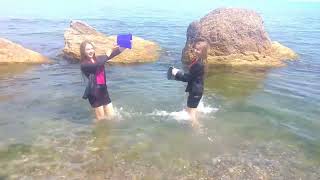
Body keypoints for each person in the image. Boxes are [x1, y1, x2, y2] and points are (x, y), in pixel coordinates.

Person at [80, 40, 126, 121]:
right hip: (94, 93)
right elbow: (98, 64)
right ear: (83, 52)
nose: (90, 51)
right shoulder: (84, 64)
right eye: (87, 49)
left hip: (103, 90)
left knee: (112, 117)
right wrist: (107, 54)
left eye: (91, 49)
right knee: (101, 120)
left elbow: (114, 53)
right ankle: (97, 132)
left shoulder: (98, 58)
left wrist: (125, 45)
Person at [171, 38, 208, 127]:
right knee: (190, 110)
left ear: (203, 51)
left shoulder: (199, 64)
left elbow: (188, 78)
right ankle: (194, 127)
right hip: (196, 90)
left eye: (198, 50)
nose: (195, 50)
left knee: (191, 115)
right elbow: (193, 77)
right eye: (195, 48)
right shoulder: (199, 60)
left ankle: (197, 131)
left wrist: (176, 73)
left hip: (195, 91)